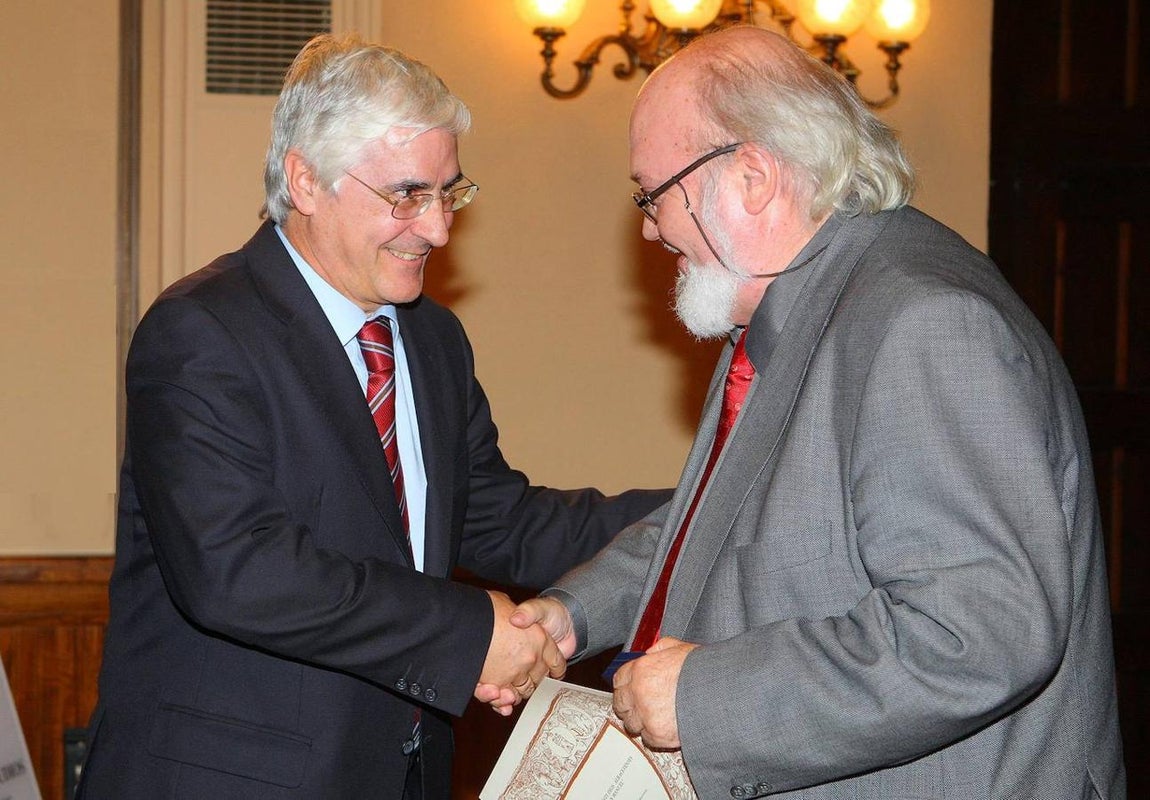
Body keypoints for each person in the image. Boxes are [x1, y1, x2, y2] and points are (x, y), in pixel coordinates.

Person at [504, 25, 1126, 799]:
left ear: (753, 178)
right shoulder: (792, 300)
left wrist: (705, 698)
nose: (649, 226)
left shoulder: (922, 324)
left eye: (654, 194)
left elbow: (977, 633)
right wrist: (577, 614)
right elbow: (720, 520)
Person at [77, 33, 669, 800]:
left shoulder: (430, 339)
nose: (438, 229)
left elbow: (502, 523)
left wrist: (700, 508)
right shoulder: (203, 331)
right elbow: (237, 572)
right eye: (406, 196)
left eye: (448, 192)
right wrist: (468, 637)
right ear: (306, 182)